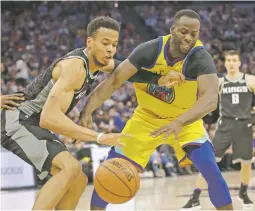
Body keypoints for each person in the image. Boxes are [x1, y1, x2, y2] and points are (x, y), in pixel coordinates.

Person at [1, 16, 179, 210]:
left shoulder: (99, 63)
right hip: (17, 119)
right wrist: (99, 137)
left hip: (30, 122)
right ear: (89, 42)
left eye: (114, 44)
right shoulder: (75, 66)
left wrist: (158, 79)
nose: (110, 49)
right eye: (105, 43)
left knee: (78, 180)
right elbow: (48, 118)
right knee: (70, 168)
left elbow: (126, 70)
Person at [81, 9, 233, 210]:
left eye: (193, 34)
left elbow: (211, 99)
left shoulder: (200, 58)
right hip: (145, 119)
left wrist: (179, 122)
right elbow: (114, 80)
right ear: (172, 30)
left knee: (211, 171)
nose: (188, 37)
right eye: (183, 31)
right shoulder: (149, 50)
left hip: (184, 120)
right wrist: (87, 110)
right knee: (109, 175)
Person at [182, 50, 255, 210]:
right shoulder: (220, 82)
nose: (231, 63)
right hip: (225, 124)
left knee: (246, 162)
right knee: (209, 161)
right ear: (225, 63)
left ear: (239, 62)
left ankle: (243, 192)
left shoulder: (250, 80)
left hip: (244, 124)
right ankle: (195, 196)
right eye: (228, 60)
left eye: (234, 60)